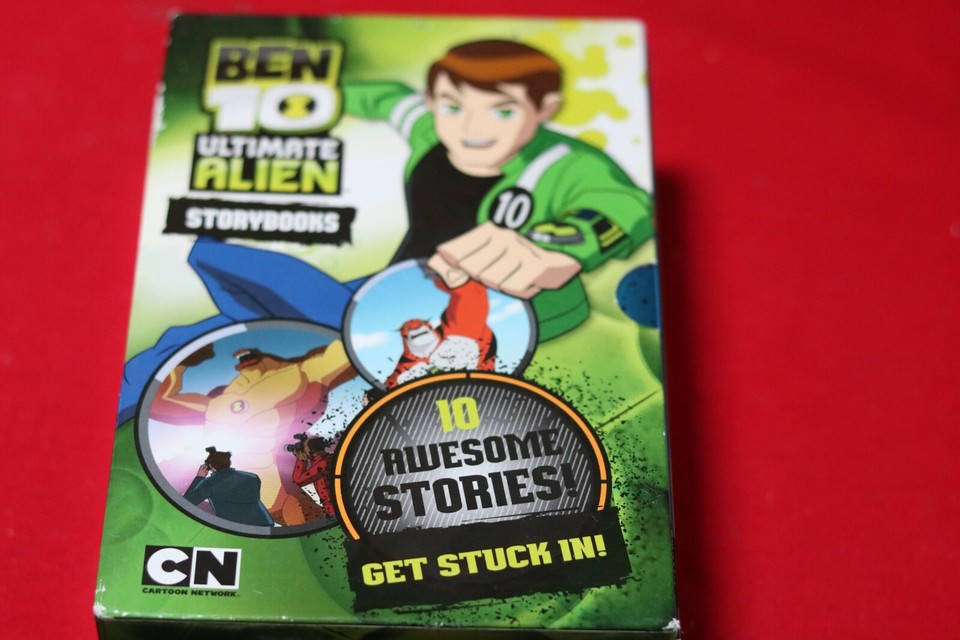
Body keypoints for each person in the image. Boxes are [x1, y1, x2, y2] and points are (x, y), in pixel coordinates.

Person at [343, 39, 653, 340]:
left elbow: (624, 206)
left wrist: (555, 250)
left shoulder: (567, 163)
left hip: (517, 326)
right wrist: (324, 95)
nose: (472, 128)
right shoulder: (428, 130)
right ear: (431, 100)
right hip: (406, 297)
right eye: (453, 107)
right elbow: (388, 98)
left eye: (503, 112)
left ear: (546, 108)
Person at [151, 339, 356, 526]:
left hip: (276, 497)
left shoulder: (295, 376)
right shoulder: (219, 403)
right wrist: (182, 361)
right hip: (245, 500)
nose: (244, 361)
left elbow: (344, 353)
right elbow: (159, 403)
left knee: (310, 527)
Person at [183, 447, 274, 527]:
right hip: (264, 524)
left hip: (235, 529)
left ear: (210, 466)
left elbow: (185, 504)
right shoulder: (253, 477)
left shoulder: (209, 483)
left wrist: (199, 478)